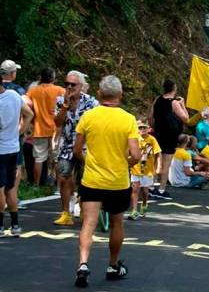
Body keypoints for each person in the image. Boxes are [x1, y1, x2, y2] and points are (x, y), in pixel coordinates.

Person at [72, 76, 141, 287]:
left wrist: (87, 162)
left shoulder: (88, 116)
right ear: (120, 96)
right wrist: (125, 162)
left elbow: (76, 149)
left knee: (89, 223)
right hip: (117, 181)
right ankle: (112, 265)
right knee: (117, 222)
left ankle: (83, 263)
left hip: (92, 180)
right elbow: (136, 155)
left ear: (100, 95)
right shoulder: (128, 119)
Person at [53, 71, 98, 226]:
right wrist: (65, 106)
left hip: (86, 146)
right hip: (66, 145)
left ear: (81, 86)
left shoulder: (91, 102)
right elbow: (57, 123)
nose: (69, 87)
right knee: (64, 178)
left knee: (85, 181)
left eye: (73, 84)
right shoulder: (60, 101)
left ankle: (82, 206)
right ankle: (66, 212)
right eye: (67, 84)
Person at [0, 68, 34, 236]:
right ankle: (15, 224)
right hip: (13, 148)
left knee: (0, 189)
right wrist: (20, 131)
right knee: (10, 188)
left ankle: (0, 225)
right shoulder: (14, 95)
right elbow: (29, 113)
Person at [150, 79, 188, 200]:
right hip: (170, 135)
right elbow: (185, 118)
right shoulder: (174, 103)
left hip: (158, 133)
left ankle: (151, 187)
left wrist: (152, 127)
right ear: (174, 88)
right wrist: (183, 104)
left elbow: (151, 115)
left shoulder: (158, 99)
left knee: (156, 161)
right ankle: (161, 189)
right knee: (166, 163)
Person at [27, 67, 65, 185]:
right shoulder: (59, 90)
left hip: (39, 129)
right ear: (52, 78)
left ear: (41, 77)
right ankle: (57, 185)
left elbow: (26, 103)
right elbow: (63, 106)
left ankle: (36, 185)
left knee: (38, 159)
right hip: (56, 129)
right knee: (57, 158)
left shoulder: (33, 91)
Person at [127, 120, 160, 220]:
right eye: (140, 128)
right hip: (136, 168)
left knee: (145, 192)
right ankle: (134, 210)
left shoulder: (152, 140)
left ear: (148, 129)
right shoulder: (134, 139)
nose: (142, 130)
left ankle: (144, 204)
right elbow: (128, 152)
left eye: (144, 128)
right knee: (135, 189)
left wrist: (158, 167)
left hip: (147, 170)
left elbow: (157, 154)